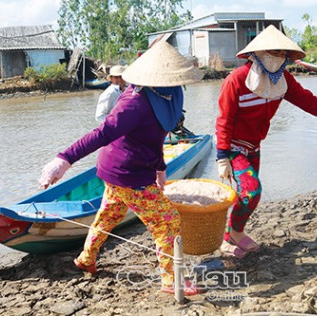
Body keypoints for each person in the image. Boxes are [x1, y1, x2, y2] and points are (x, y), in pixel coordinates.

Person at [38, 40, 203, 295]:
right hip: (128, 172)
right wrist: (64, 160)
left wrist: (160, 168)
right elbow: (103, 132)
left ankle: (86, 259)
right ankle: (172, 280)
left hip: (122, 168)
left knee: (108, 216)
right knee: (168, 222)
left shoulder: (168, 96)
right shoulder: (135, 102)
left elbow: (154, 137)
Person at [215, 25, 317, 258]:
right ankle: (231, 237)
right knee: (251, 191)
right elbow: (224, 119)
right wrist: (222, 155)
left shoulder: (282, 81)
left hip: (254, 145)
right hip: (234, 146)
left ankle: (233, 234)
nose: (279, 58)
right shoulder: (237, 80)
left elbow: (311, 103)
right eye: (274, 53)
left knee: (251, 195)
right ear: (258, 53)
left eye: (283, 54)